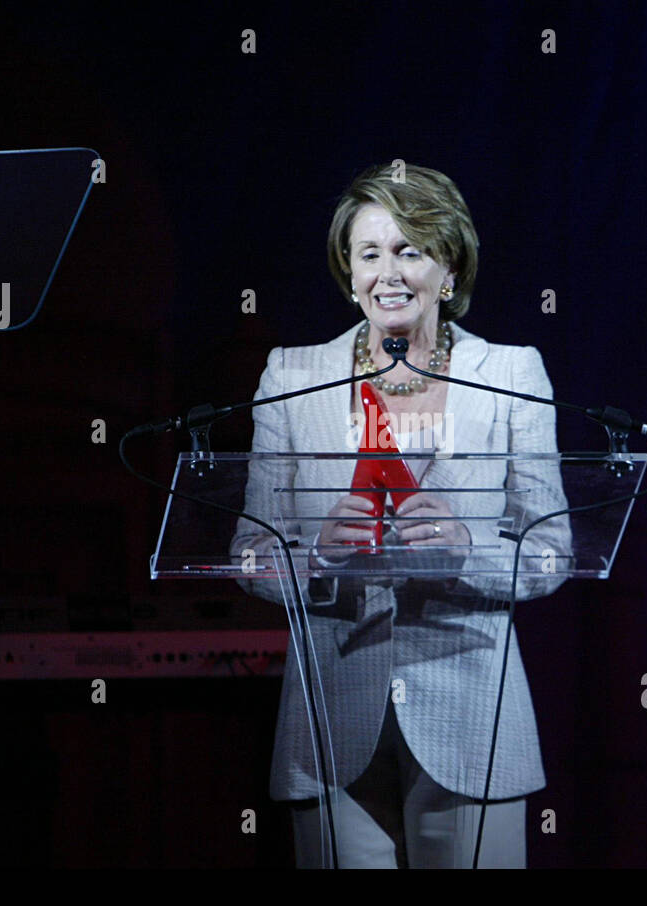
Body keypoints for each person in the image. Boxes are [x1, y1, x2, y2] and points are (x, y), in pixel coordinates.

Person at [231, 164, 571, 868]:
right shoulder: (292, 378)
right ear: (348, 272)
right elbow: (249, 554)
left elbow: (553, 552)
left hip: (474, 719)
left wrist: (466, 551)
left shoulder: (512, 375)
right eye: (370, 253)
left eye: (411, 250)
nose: (389, 272)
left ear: (449, 266)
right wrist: (315, 555)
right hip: (330, 724)